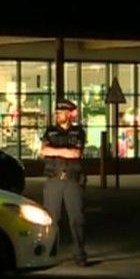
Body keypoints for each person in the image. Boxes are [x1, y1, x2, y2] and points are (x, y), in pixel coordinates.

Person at [40, 99, 88, 266]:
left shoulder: (78, 132)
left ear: (69, 114)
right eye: (57, 112)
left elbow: (76, 154)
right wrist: (64, 150)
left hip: (72, 181)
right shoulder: (50, 131)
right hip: (53, 180)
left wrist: (56, 151)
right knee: (51, 220)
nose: (58, 115)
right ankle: (49, 254)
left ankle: (80, 255)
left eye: (61, 112)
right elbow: (44, 150)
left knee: (77, 219)